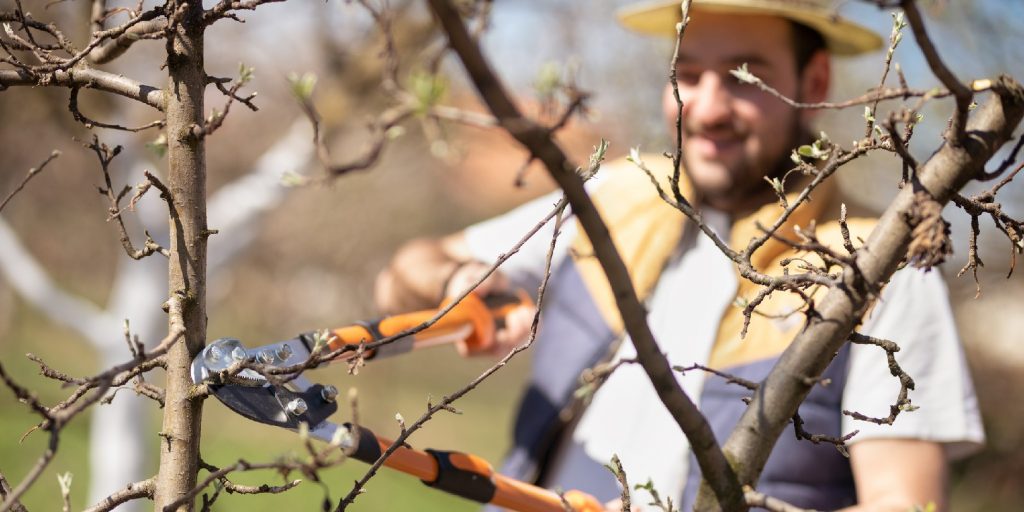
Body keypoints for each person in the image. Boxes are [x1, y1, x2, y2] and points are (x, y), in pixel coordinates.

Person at [375, 1, 984, 510]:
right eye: (688, 74)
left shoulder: (880, 271)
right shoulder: (616, 195)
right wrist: (458, 282)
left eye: (746, 77)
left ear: (816, 82)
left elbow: (905, 504)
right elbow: (406, 273)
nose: (708, 108)